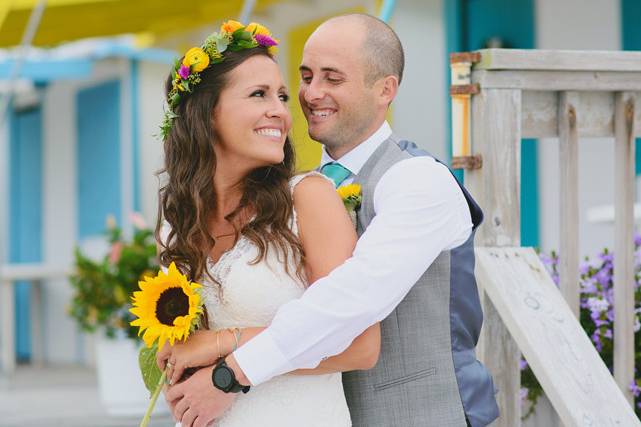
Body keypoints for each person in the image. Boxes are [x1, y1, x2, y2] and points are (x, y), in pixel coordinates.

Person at [161, 14, 500, 427]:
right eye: (306, 77)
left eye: (332, 78)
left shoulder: (416, 180)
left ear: (384, 90)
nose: (311, 94)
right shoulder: (283, 193)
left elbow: (350, 298)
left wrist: (226, 364)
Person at [154, 20, 381, 427]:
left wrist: (223, 360)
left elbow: (361, 344)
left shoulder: (309, 199)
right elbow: (182, 347)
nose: (280, 110)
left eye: (280, 95)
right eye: (259, 94)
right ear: (207, 116)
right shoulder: (178, 226)